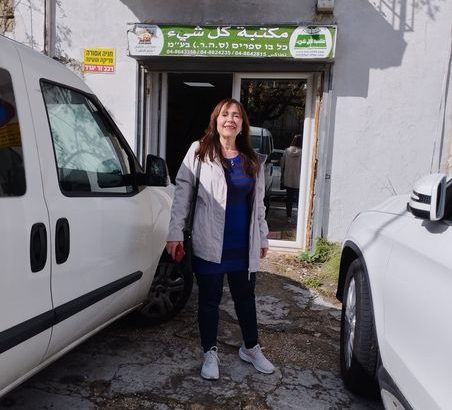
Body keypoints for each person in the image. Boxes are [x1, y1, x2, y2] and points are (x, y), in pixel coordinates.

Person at [166, 98, 275, 380]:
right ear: (216, 121)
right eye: (225, 114)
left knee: (245, 299)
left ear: (242, 124)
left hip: (242, 246)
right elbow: (182, 193)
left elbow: (259, 204)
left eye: (236, 115)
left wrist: (262, 237)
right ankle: (209, 352)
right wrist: (175, 232)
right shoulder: (200, 151)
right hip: (209, 241)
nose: (230, 119)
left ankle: (251, 348)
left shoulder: (252, 159)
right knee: (209, 300)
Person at [280, 134, 302, 223]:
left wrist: (282, 176)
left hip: (288, 178)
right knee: (299, 199)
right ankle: (300, 217)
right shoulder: (303, 152)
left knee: (289, 198)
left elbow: (282, 164)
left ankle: (288, 216)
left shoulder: (286, 151)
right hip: (299, 180)